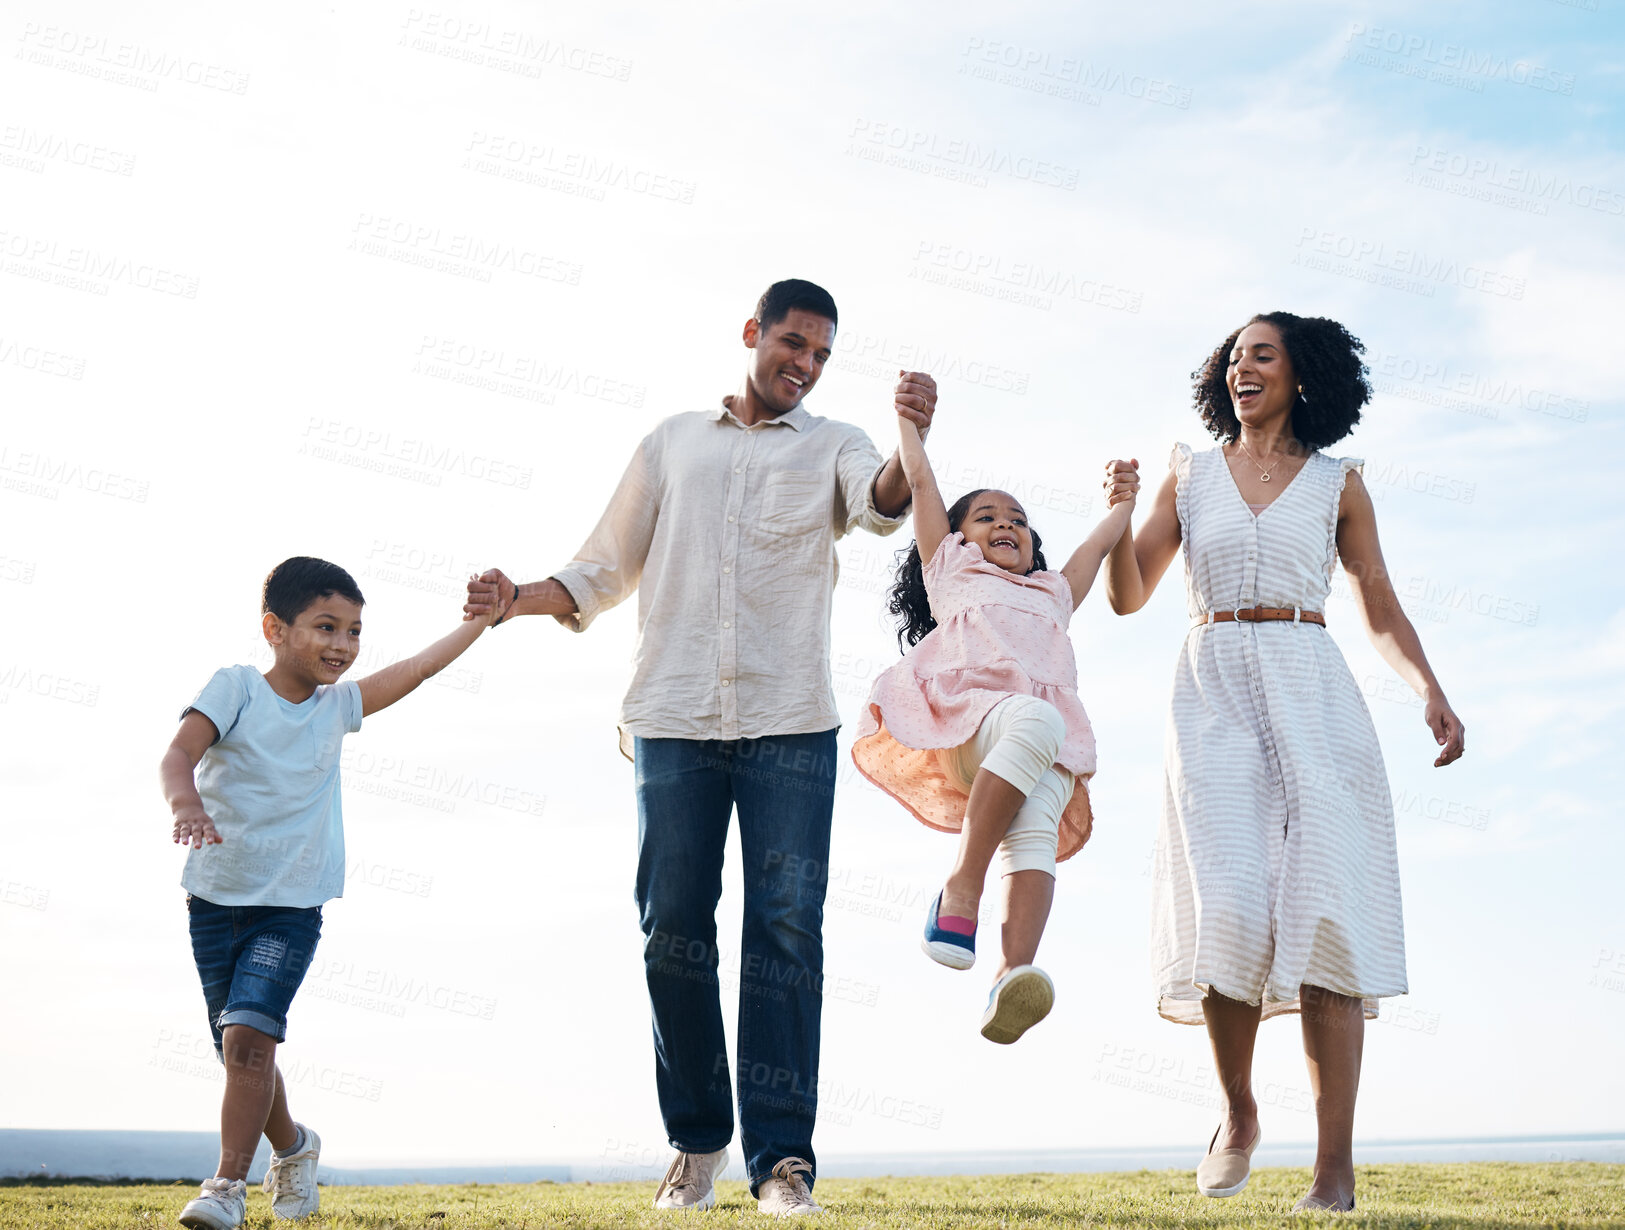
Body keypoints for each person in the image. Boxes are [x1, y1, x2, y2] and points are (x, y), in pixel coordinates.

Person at [462, 280, 934, 1217]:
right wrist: (520, 594)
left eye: (820, 356)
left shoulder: (837, 444)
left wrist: (909, 434)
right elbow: (601, 570)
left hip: (790, 719)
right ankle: (696, 1144)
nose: (802, 365)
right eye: (791, 344)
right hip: (674, 716)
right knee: (671, 931)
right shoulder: (672, 443)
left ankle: (782, 1161)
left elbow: (879, 508)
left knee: (786, 931)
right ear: (752, 334)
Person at [1100, 312, 1466, 1213]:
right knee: (1225, 903)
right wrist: (1114, 515)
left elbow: (1376, 605)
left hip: (1314, 691)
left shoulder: (1339, 484)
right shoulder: (1189, 474)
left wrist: (1428, 688)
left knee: (1326, 919)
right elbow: (1127, 594)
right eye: (1232, 359)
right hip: (1212, 688)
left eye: (1260, 355)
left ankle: (1332, 1170)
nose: (1241, 369)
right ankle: (1237, 1112)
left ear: (1301, 375)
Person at [163, 557, 491, 1229]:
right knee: (239, 1047)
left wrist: (480, 623)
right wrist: (186, 805)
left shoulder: (337, 707)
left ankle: (226, 1187)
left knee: (250, 1037)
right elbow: (177, 755)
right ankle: (294, 1146)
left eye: (354, 631)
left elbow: (418, 668)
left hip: (291, 908)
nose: (343, 645)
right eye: (326, 627)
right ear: (275, 629)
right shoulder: (236, 688)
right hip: (214, 904)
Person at [851, 409, 1131, 1044]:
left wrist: (1122, 503)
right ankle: (962, 885)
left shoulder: (1054, 593)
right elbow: (922, 485)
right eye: (988, 517)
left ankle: (1012, 974)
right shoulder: (950, 569)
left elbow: (1095, 548)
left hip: (1048, 745)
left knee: (1034, 834)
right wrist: (909, 426)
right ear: (957, 537)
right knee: (1033, 718)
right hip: (971, 722)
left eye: (1020, 521)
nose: (1007, 523)